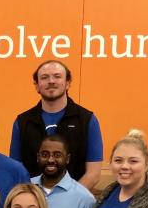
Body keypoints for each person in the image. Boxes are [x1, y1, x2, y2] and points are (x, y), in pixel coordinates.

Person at [10, 60, 103, 191]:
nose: (51, 81)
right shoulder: (22, 122)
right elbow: (16, 171)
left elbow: (93, 174)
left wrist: (69, 198)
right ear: (36, 85)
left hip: (73, 205)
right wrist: (33, 200)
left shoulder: (87, 120)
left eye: (57, 76)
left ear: (68, 83)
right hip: (33, 204)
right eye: (44, 77)